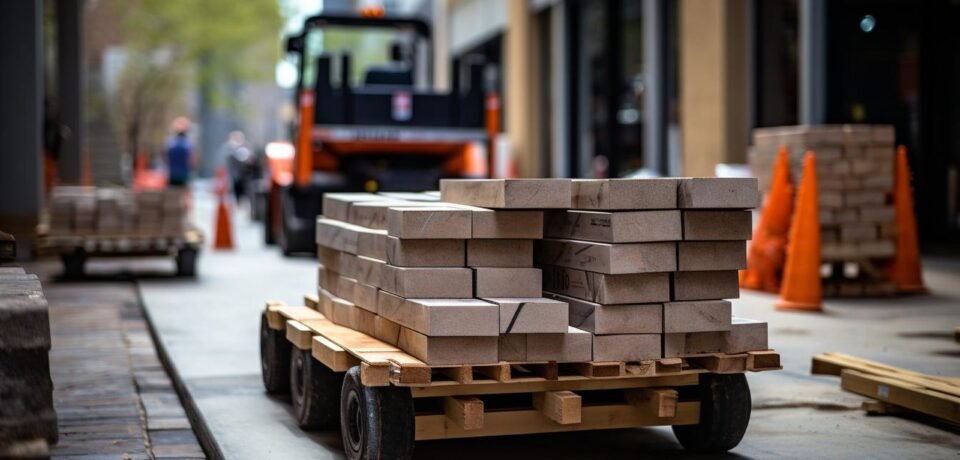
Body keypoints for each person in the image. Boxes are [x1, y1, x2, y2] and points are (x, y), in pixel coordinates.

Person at [166, 117, 193, 187]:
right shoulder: (188, 144)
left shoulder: (170, 143)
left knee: (173, 194)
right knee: (183, 195)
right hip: (184, 175)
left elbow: (166, 159)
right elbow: (191, 161)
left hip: (172, 174)